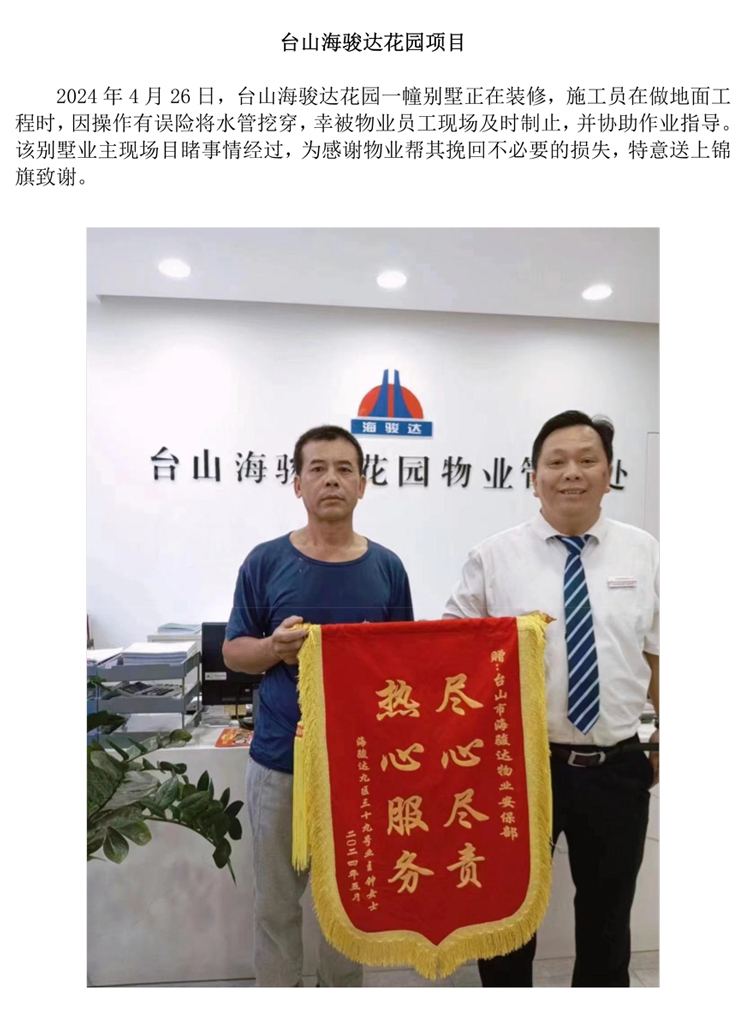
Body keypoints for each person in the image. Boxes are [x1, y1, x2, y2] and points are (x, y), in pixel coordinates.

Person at [444, 410, 659, 987]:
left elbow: (660, 652)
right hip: (516, 770)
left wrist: (665, 736)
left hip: (617, 766)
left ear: (609, 474)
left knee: (608, 922)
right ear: (533, 476)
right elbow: (450, 657)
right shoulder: (493, 558)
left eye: (587, 460)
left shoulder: (644, 552)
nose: (572, 473)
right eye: (556, 461)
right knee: (507, 921)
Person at [223, 424, 414, 987]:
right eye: (318, 469)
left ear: (363, 485)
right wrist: (272, 648)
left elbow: (404, 664)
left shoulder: (388, 568)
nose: (332, 479)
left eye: (344, 469)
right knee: (276, 907)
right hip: (280, 763)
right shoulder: (264, 562)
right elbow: (234, 652)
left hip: (359, 769)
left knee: (348, 911)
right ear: (297, 484)